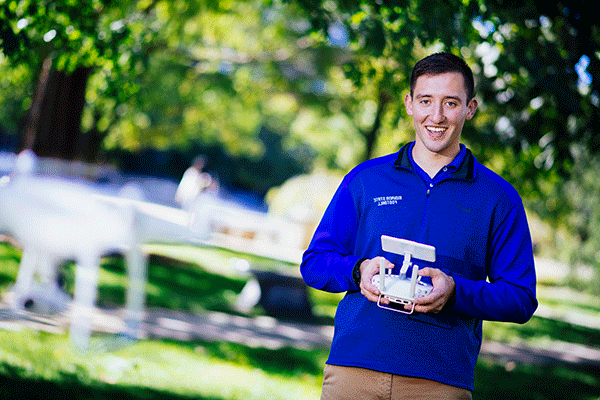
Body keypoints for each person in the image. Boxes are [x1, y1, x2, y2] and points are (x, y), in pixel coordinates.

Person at [300, 52, 537, 399]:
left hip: (440, 381)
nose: (436, 116)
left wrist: (456, 291)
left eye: (451, 103)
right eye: (426, 100)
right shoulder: (366, 179)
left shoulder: (499, 199)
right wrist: (358, 270)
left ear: (470, 108)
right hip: (354, 370)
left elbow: (520, 298)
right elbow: (315, 261)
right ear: (410, 103)